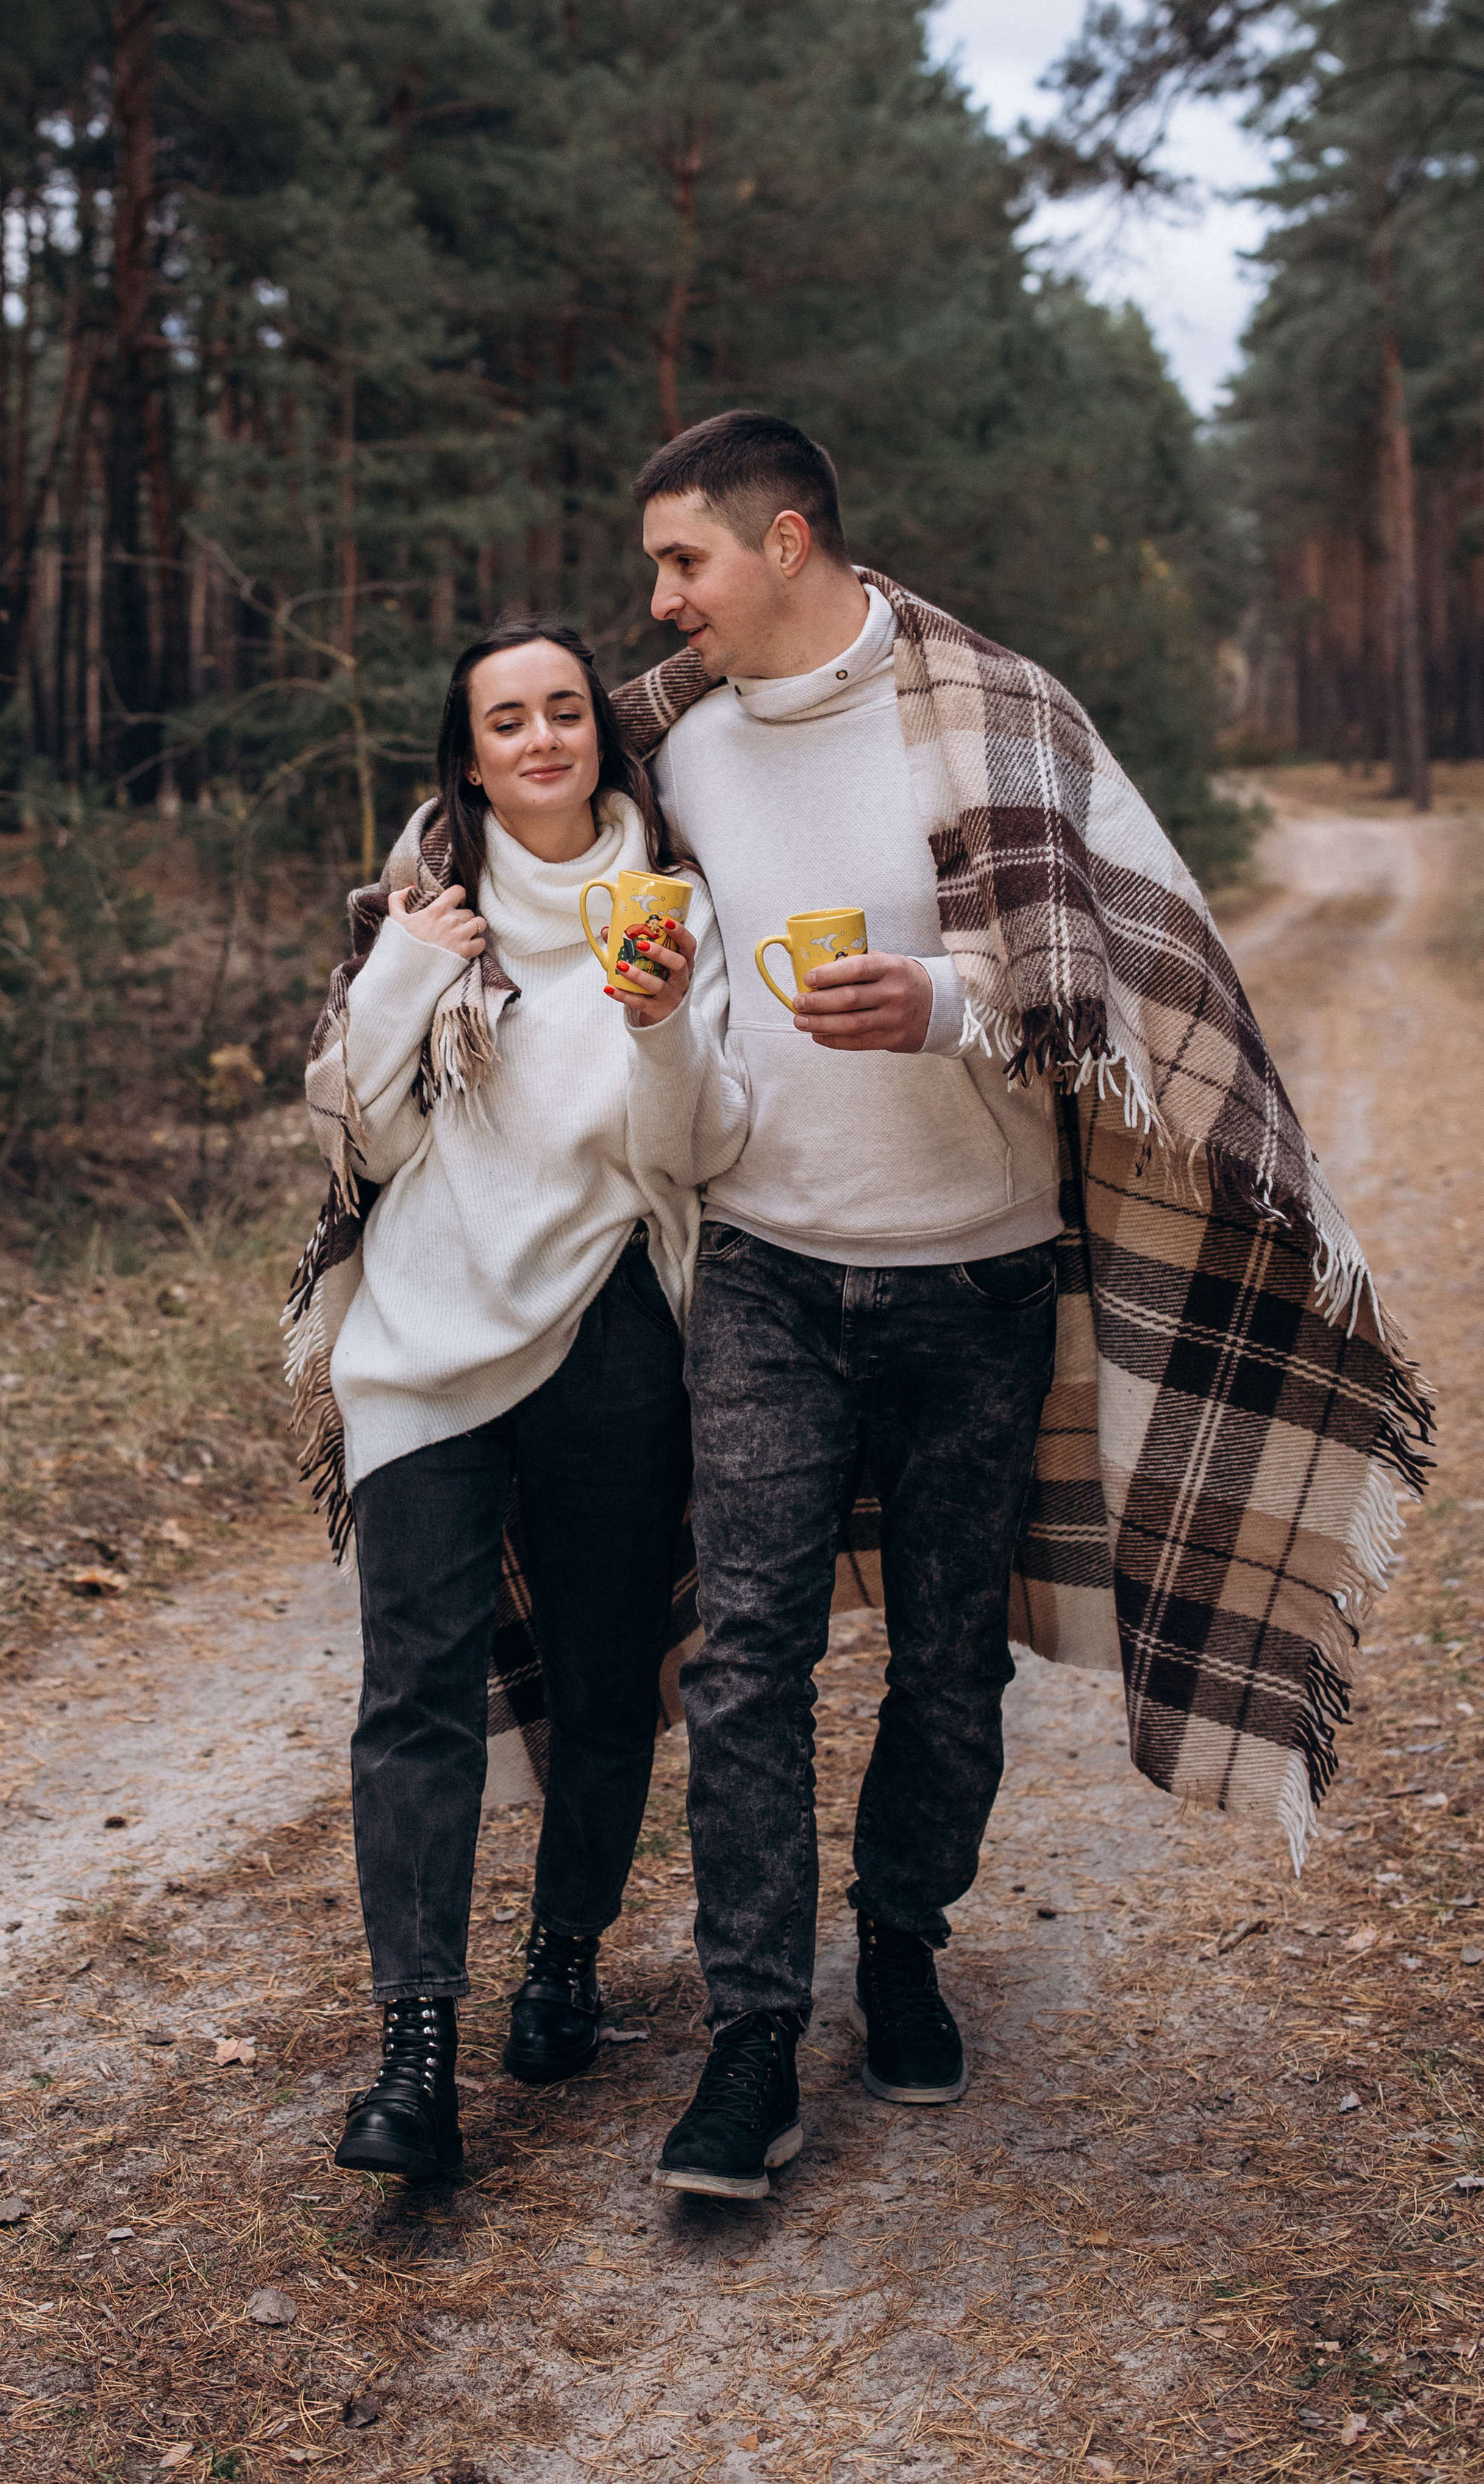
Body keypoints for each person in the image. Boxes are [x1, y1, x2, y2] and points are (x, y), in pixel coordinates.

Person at [613, 409, 1424, 2204]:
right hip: (760, 1263)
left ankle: (900, 1939)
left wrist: (946, 1008)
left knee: (947, 1656)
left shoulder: (991, 716)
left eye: (683, 560)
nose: (656, 599)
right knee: (747, 1653)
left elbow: (1128, 975)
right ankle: (753, 2031)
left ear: (789, 541)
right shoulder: (664, 748)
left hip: (973, 1271)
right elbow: (525, 858)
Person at [296, 618, 742, 2182]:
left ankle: (560, 1956)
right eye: (508, 719)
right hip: (422, 1339)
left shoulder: (674, 909)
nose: (542, 738)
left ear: (599, 740)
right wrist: (403, 977)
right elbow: (361, 1139)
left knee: (607, 1675)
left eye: (565, 711)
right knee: (407, 1694)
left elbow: (684, 1157)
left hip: (613, 1330)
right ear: (469, 752)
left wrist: (659, 1018)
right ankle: (413, 2053)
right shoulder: (423, 909)